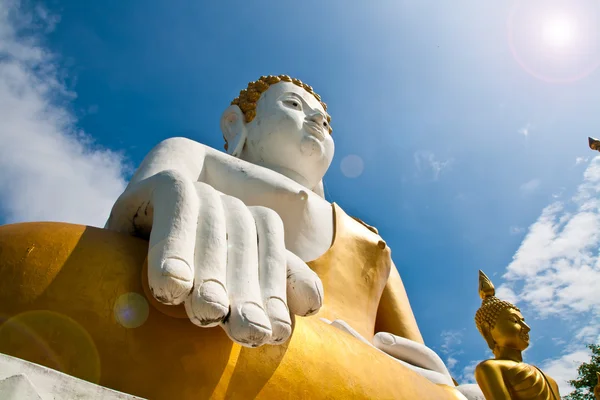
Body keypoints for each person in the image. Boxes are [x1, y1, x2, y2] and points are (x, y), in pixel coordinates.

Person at [105, 74, 453, 384]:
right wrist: (181, 204)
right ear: (236, 124)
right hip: (200, 334)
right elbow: (116, 239)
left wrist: (438, 385)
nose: (318, 120)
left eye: (327, 123)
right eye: (293, 105)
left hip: (356, 372)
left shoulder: (369, 240)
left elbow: (415, 358)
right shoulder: (193, 155)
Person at [474, 270, 560, 399]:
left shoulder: (550, 381)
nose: (526, 328)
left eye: (523, 321)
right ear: (487, 331)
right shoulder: (490, 368)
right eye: (515, 321)